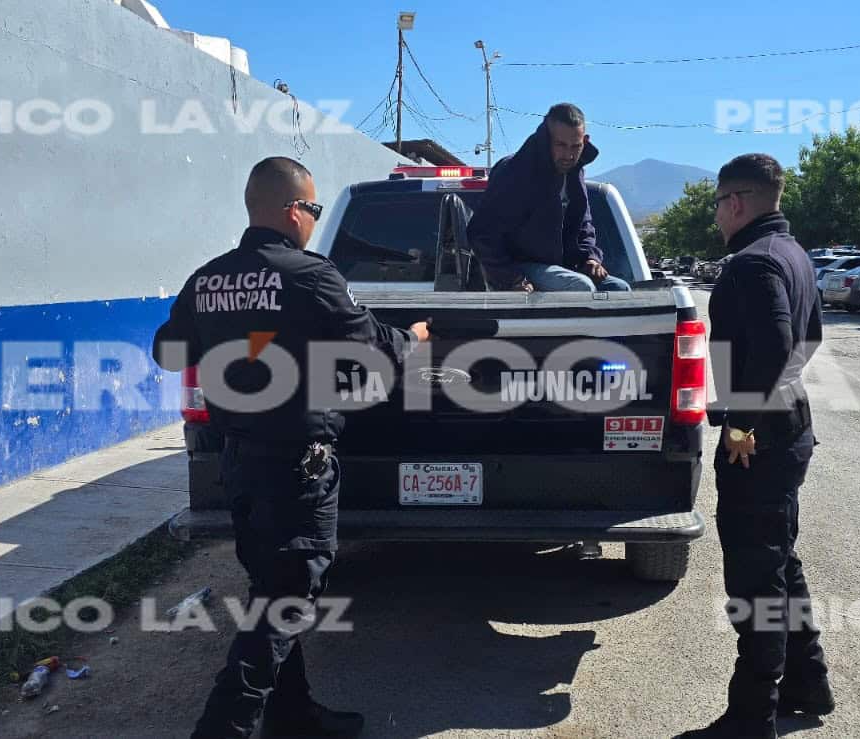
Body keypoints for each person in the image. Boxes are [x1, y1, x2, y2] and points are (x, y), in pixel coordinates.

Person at [153, 156, 430, 739]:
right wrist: (416, 337)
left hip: (241, 465)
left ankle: (294, 715)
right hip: (298, 469)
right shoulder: (311, 276)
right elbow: (374, 350)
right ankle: (222, 729)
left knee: (271, 591)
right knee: (288, 601)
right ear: (290, 210)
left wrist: (241, 346)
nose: (314, 219)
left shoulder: (208, 278)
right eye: (313, 208)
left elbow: (170, 352)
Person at [683, 154, 832, 739]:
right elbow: (809, 337)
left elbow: (773, 345)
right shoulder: (794, 255)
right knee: (780, 563)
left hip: (760, 443)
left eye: (718, 203)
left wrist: (743, 423)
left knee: (755, 580)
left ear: (737, 201)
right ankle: (807, 682)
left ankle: (750, 720)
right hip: (789, 431)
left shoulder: (752, 264)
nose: (717, 215)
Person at [466, 102, 630, 293]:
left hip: (564, 267)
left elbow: (584, 225)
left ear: (584, 141)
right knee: (580, 287)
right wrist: (511, 278)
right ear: (546, 139)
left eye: (575, 146)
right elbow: (481, 233)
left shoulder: (574, 172)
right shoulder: (514, 171)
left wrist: (591, 257)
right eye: (561, 145)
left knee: (619, 289)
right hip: (520, 266)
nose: (568, 154)